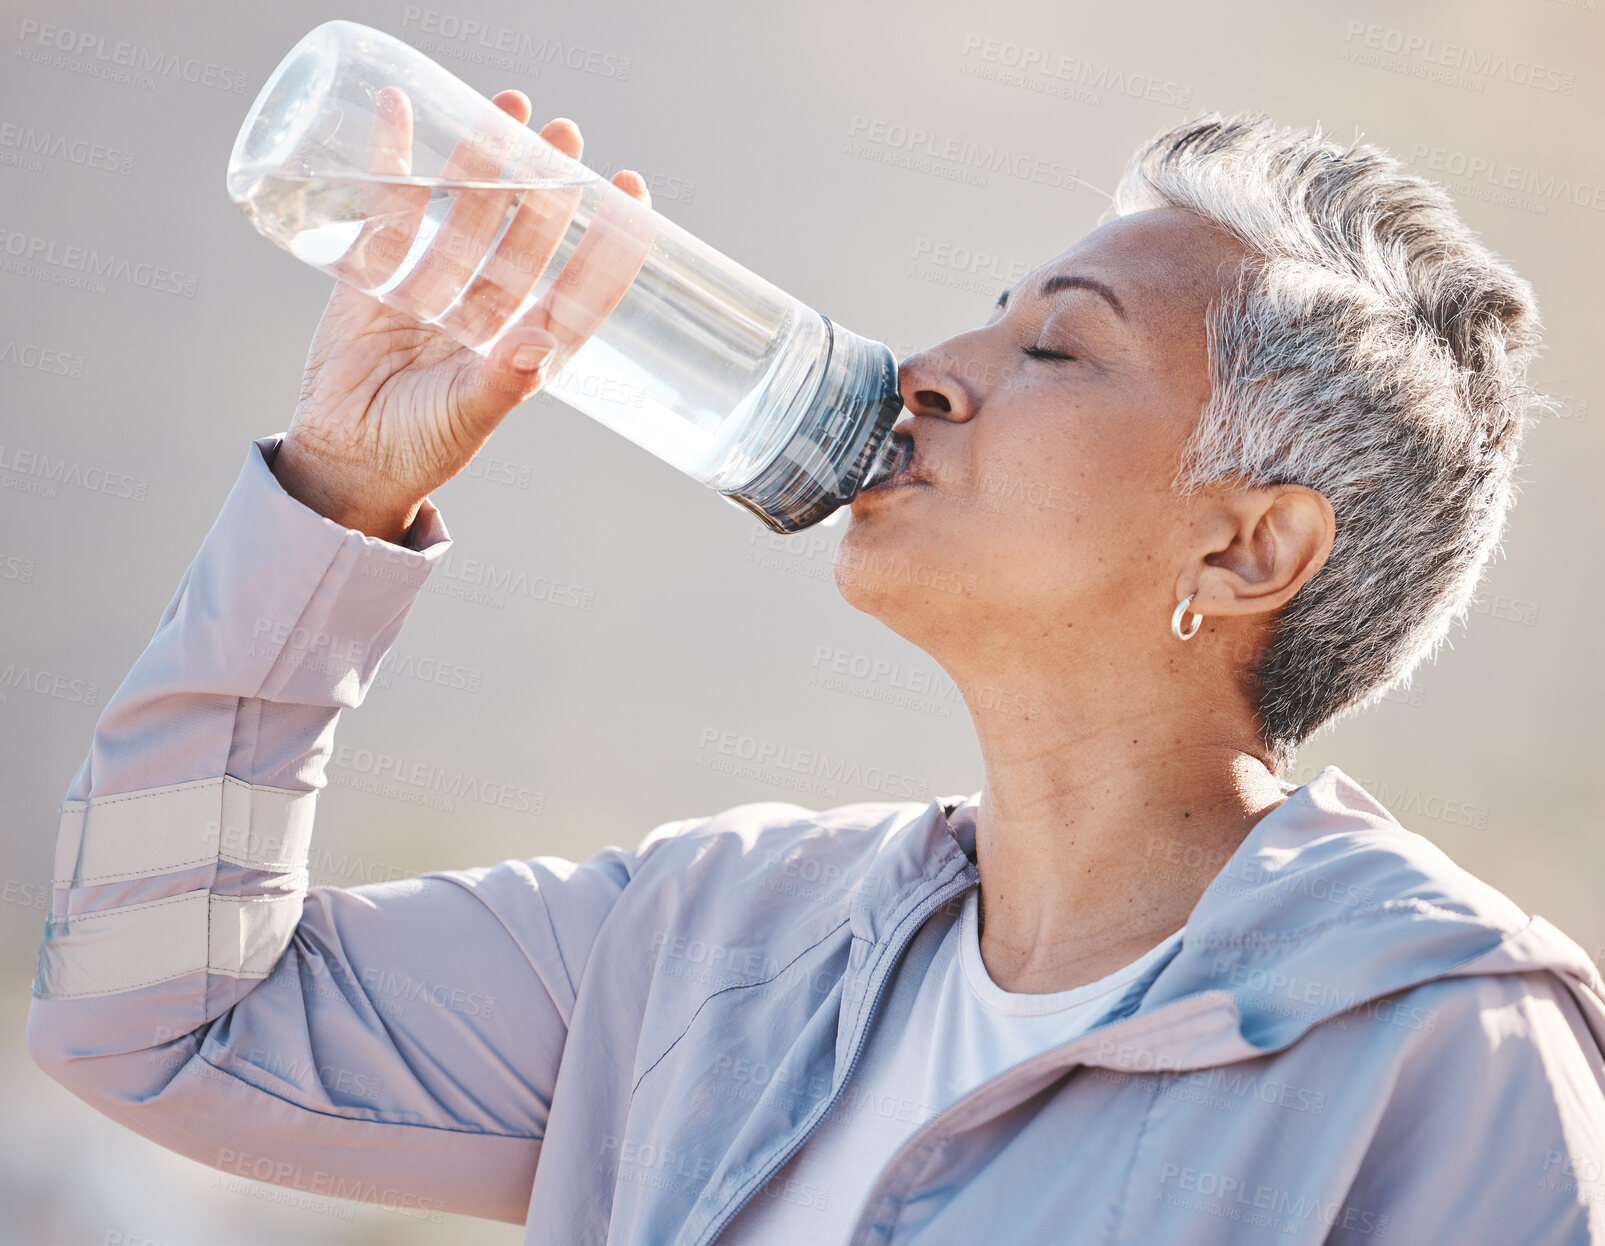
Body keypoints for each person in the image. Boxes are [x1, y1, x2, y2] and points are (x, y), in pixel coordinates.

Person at [27, 103, 1605, 1245]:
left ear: (1246, 550)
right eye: (990, 317)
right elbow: (157, 1018)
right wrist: (339, 488)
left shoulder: (1432, 1049)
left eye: (1055, 347)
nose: (928, 368)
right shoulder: (711, 944)